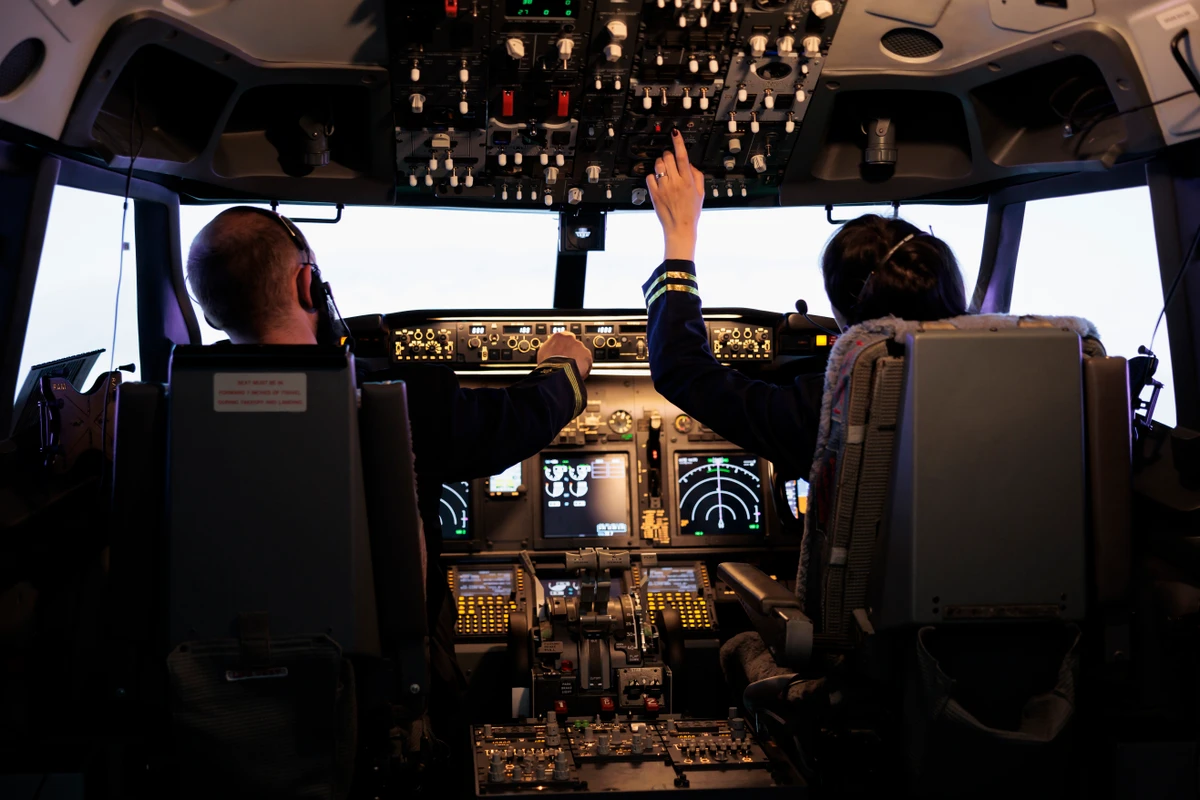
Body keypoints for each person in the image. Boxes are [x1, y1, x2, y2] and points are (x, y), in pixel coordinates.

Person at [185, 206, 592, 732]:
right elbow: (506, 426)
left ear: (214, 316)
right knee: (508, 670)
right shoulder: (395, 397)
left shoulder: (181, 410)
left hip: (222, 701)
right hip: (383, 697)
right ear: (308, 285)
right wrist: (564, 372)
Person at [642, 131, 967, 479]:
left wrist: (680, 234)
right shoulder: (1005, 377)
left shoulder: (837, 406)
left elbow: (682, 369)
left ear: (846, 317)